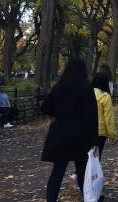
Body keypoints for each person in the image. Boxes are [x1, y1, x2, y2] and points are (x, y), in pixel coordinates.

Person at [41, 58, 98, 202]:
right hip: (80, 134)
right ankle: (88, 198)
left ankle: (51, 199)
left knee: (57, 172)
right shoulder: (86, 87)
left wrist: (58, 112)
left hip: (60, 132)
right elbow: (92, 116)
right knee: (82, 171)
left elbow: (45, 108)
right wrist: (93, 140)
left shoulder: (59, 87)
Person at [92, 71, 117, 160]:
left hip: (86, 129)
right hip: (100, 131)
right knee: (96, 157)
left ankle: (80, 172)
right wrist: (112, 134)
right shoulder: (105, 96)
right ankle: (94, 172)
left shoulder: (87, 93)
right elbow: (108, 117)